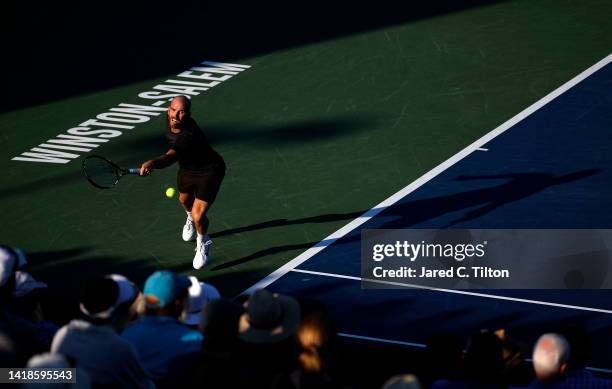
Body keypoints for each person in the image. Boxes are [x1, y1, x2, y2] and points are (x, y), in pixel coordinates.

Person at [140, 95, 226, 269]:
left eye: (181, 112)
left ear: (188, 114)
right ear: (168, 109)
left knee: (198, 215)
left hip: (210, 171)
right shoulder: (169, 117)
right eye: (173, 110)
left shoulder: (188, 135)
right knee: (184, 201)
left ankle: (203, 242)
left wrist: (153, 163)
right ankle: (190, 220)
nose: (175, 115)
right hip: (187, 168)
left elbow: (170, 158)